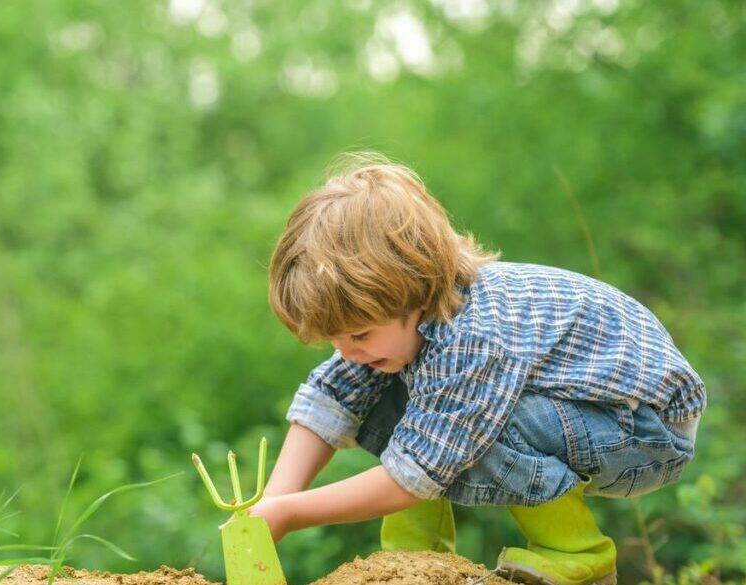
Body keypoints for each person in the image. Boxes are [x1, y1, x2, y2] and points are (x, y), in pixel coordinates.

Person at [252, 153, 705, 585]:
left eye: (359, 336)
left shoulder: (475, 336)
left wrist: (293, 513)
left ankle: (580, 555)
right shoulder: (399, 324)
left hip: (644, 431)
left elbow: (414, 474)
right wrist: (270, 504)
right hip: (587, 415)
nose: (346, 352)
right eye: (335, 340)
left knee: (467, 425)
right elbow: (329, 403)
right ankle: (410, 557)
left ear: (414, 289)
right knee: (389, 395)